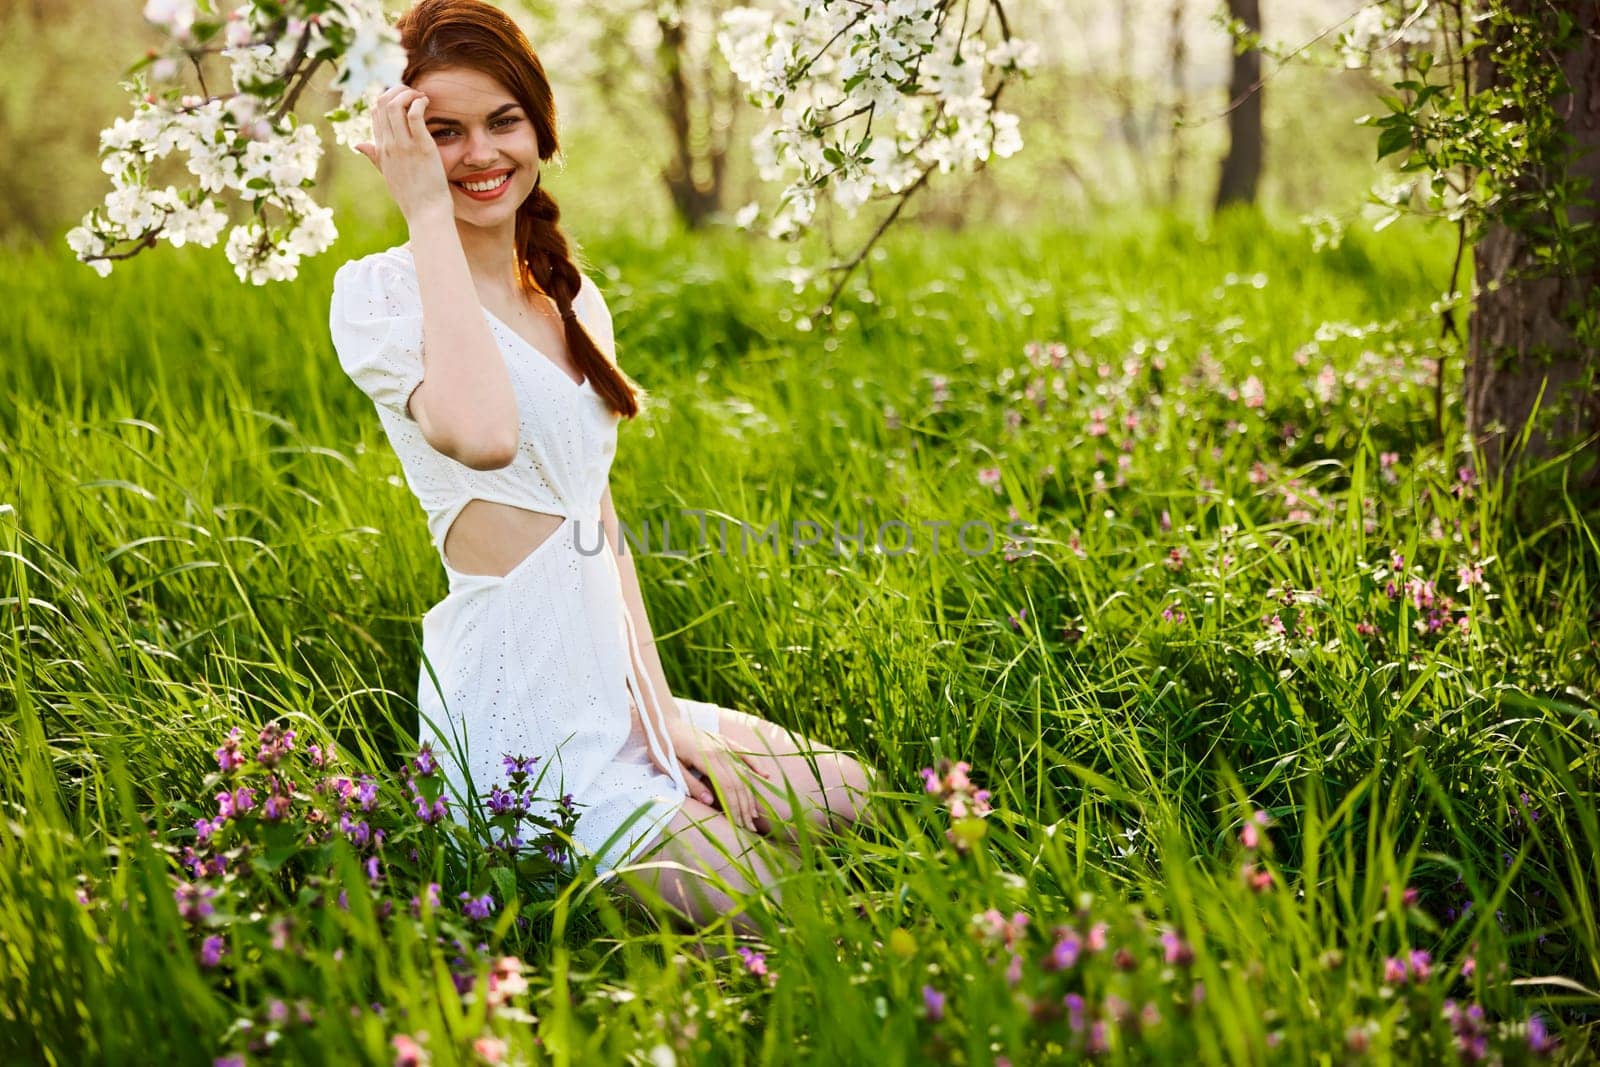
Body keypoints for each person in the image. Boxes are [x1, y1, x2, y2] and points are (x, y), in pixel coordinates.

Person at [327, 0, 877, 940]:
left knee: (852, 795)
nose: (479, 155)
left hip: (610, 692)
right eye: (443, 132)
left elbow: (599, 525)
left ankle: (666, 783)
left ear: (539, 124)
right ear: (405, 141)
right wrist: (424, 210)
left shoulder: (568, 295)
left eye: (503, 121)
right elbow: (484, 433)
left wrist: (672, 733)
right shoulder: (377, 293)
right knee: (795, 914)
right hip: (521, 725)